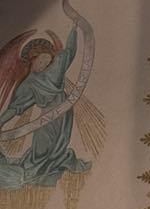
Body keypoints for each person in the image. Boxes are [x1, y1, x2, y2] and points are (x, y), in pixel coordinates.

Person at [0, 28, 90, 190]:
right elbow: (16, 107)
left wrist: (74, 30)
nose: (44, 65)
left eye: (47, 62)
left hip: (62, 113)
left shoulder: (54, 72)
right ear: (31, 61)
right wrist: (1, 121)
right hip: (46, 118)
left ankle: (42, 173)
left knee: (53, 147)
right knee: (40, 150)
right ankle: (38, 173)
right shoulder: (29, 84)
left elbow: (69, 52)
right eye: (41, 61)